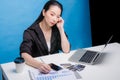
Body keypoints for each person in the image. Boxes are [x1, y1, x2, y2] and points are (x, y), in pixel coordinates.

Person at [20, 0, 70, 73]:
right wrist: (39, 65)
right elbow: (24, 54)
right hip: (38, 69)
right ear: (44, 12)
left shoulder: (57, 30)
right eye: (52, 14)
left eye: (57, 16)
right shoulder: (30, 32)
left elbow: (66, 50)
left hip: (55, 69)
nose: (54, 19)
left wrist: (61, 29)